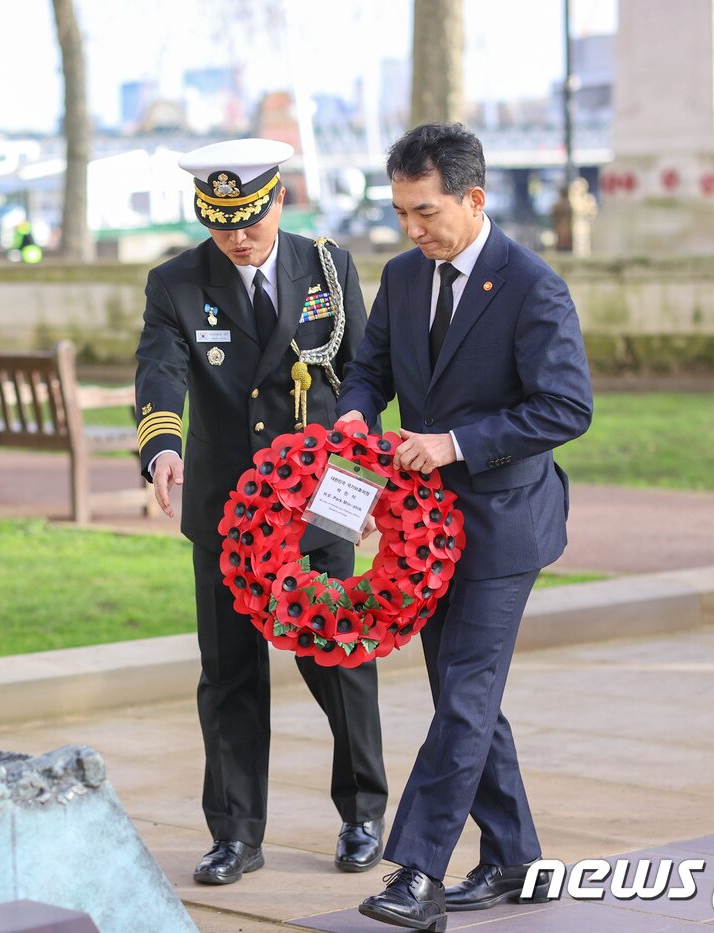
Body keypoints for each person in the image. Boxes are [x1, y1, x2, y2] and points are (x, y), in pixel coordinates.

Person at [340, 123, 592, 931]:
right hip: (424, 525)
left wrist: (452, 443)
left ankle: (418, 872)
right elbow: (370, 367)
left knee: (465, 698)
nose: (412, 229)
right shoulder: (404, 276)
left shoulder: (533, 286)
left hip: (505, 522)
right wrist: (352, 416)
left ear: (473, 199)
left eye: (425, 211)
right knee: (465, 695)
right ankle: (516, 859)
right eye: (401, 213)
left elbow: (567, 406)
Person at [134, 138, 387, 886]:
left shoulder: (329, 270)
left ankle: (363, 810)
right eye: (221, 223)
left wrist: (366, 481)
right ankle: (236, 833)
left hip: (321, 501)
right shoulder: (175, 281)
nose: (238, 237)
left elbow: (362, 376)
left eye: (249, 218)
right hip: (225, 507)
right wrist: (162, 447)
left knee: (336, 653)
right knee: (229, 670)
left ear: (280, 199)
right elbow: (161, 366)